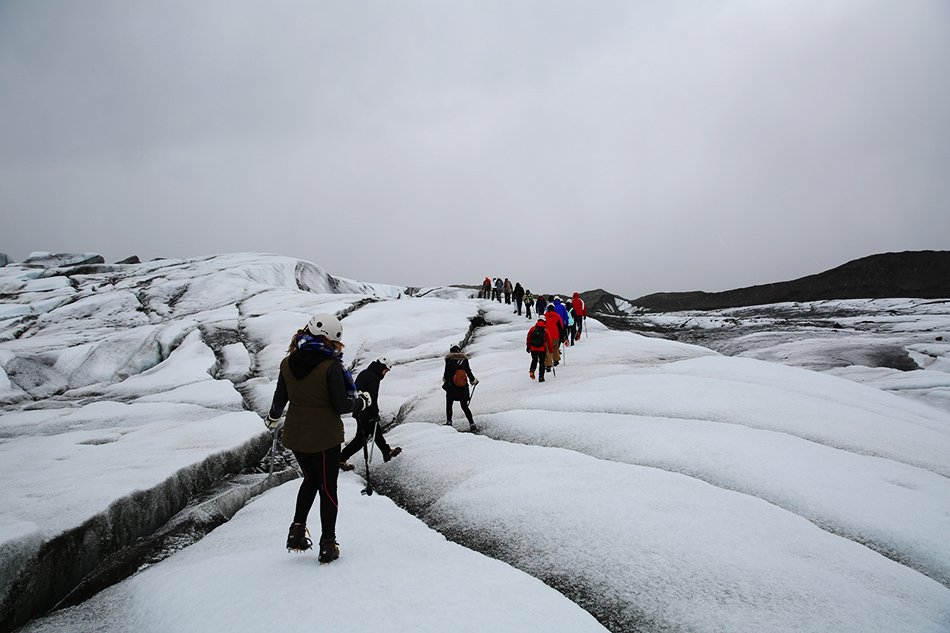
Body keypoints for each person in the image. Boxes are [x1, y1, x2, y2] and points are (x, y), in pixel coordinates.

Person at [266, 313, 371, 564]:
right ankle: (328, 544)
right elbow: (341, 405)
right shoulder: (331, 366)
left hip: (296, 435)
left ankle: (296, 532)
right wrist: (361, 402)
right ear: (332, 340)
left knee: (311, 480)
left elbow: (280, 398)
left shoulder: (287, 362)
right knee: (328, 488)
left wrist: (273, 417)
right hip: (324, 438)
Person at [339, 357, 401, 472]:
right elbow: (372, 398)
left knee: (375, 431)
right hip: (365, 412)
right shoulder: (373, 377)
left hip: (360, 409)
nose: (385, 373)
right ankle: (341, 458)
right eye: (386, 370)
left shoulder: (366, 373)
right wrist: (375, 413)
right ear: (382, 367)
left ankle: (386, 451)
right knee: (360, 440)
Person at [442, 345, 479, 431]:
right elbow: (468, 372)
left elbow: (446, 374)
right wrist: (474, 381)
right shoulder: (464, 359)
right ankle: (472, 423)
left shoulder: (449, 359)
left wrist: (447, 382)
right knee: (464, 406)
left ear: (451, 351)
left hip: (452, 387)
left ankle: (449, 422)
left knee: (449, 404)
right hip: (463, 387)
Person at [544, 304, 565, 370]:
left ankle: (548, 364)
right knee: (555, 347)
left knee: (548, 350)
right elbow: (561, 326)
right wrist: (562, 336)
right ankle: (556, 360)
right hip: (556, 334)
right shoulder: (557, 316)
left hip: (547, 335)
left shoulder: (544, 317)